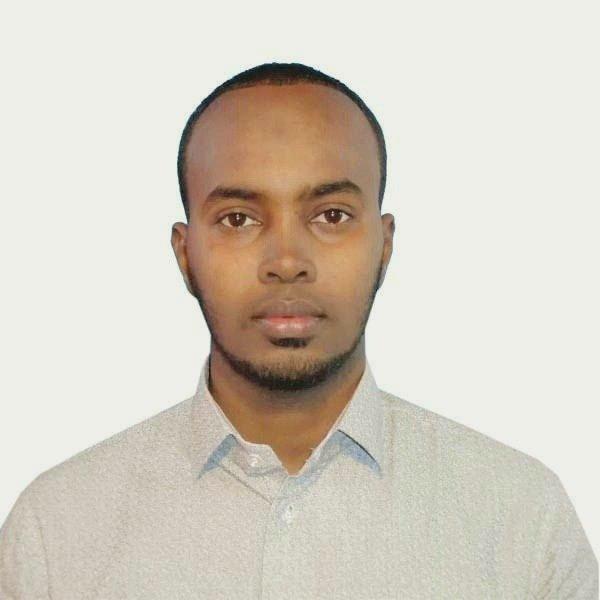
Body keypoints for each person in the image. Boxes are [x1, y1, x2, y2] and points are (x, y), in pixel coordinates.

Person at [0, 62, 597, 599]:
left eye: (331, 215)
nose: (286, 260)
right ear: (185, 254)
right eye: (238, 218)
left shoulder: (522, 519)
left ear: (384, 245)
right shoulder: (57, 533)